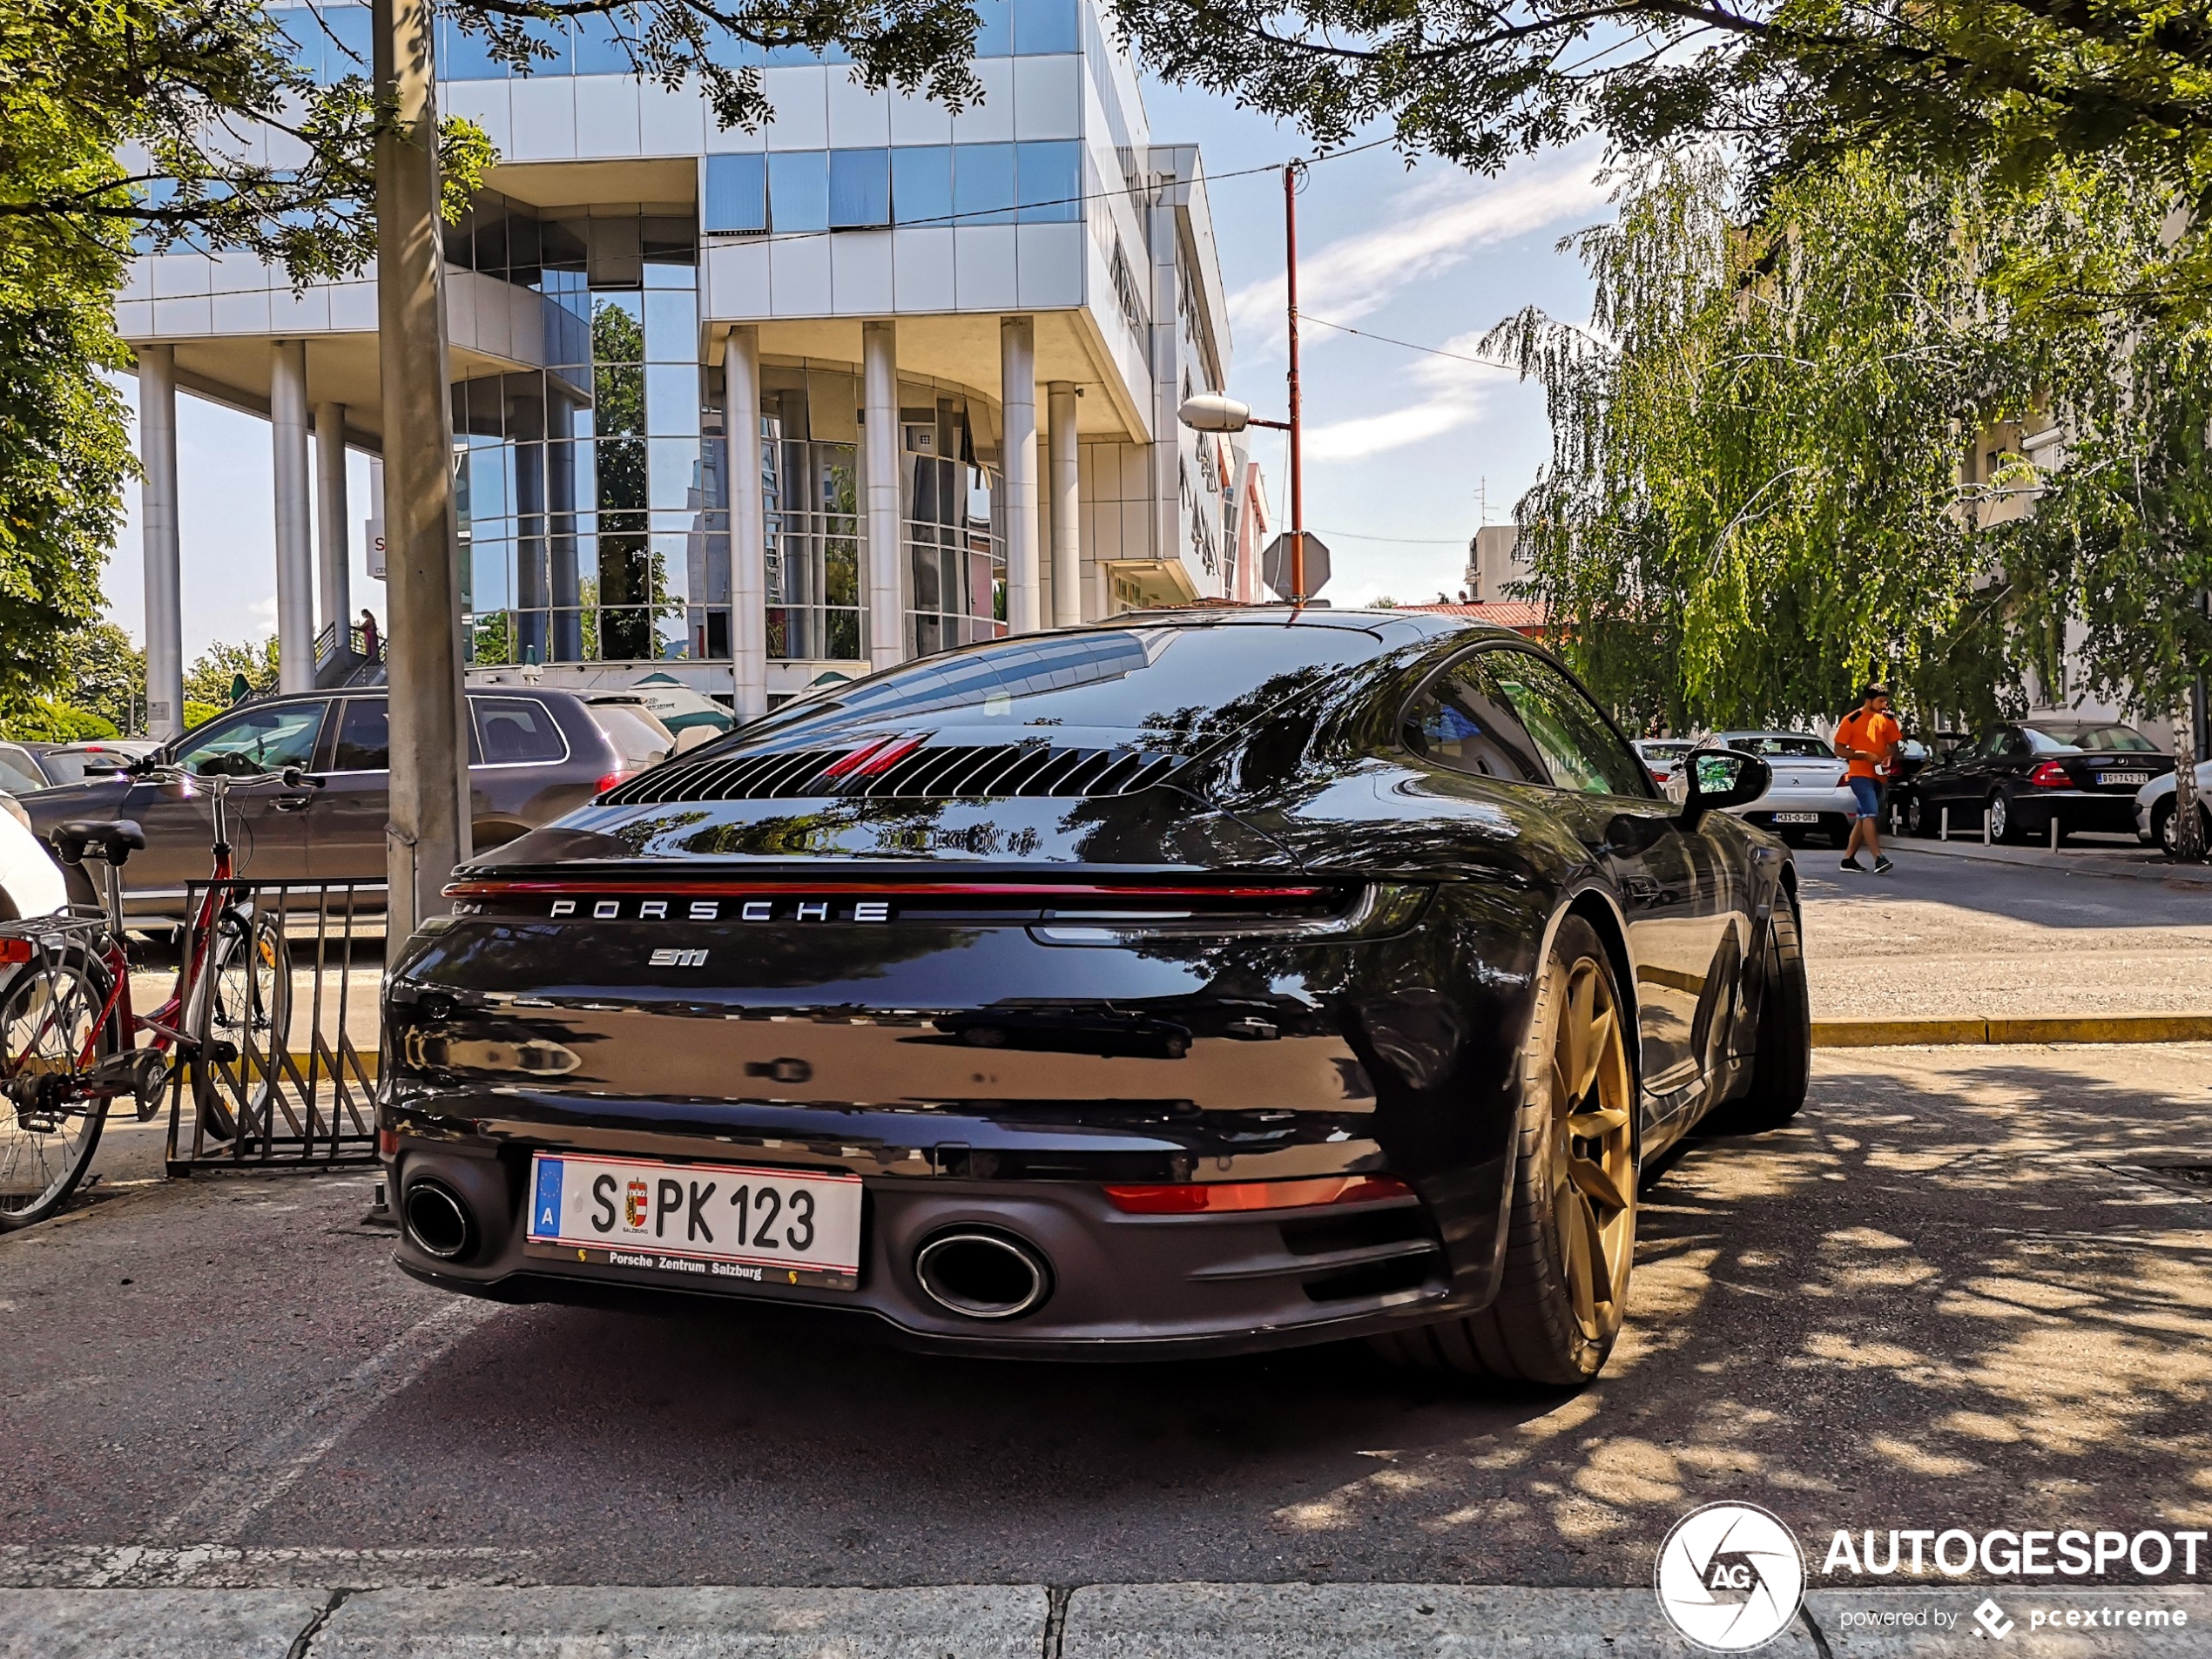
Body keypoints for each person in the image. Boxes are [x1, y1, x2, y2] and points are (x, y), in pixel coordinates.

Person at [1833, 684, 1902, 874]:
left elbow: (1893, 745)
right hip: (1859, 775)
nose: (1884, 705)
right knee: (1871, 813)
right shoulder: (1852, 720)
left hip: (1879, 775)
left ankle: (1848, 859)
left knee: (1863, 817)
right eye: (1880, 701)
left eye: (1886, 701)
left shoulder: (1887, 719)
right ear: (1869, 700)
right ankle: (1879, 858)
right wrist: (1863, 755)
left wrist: (1889, 755)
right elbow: (1839, 750)